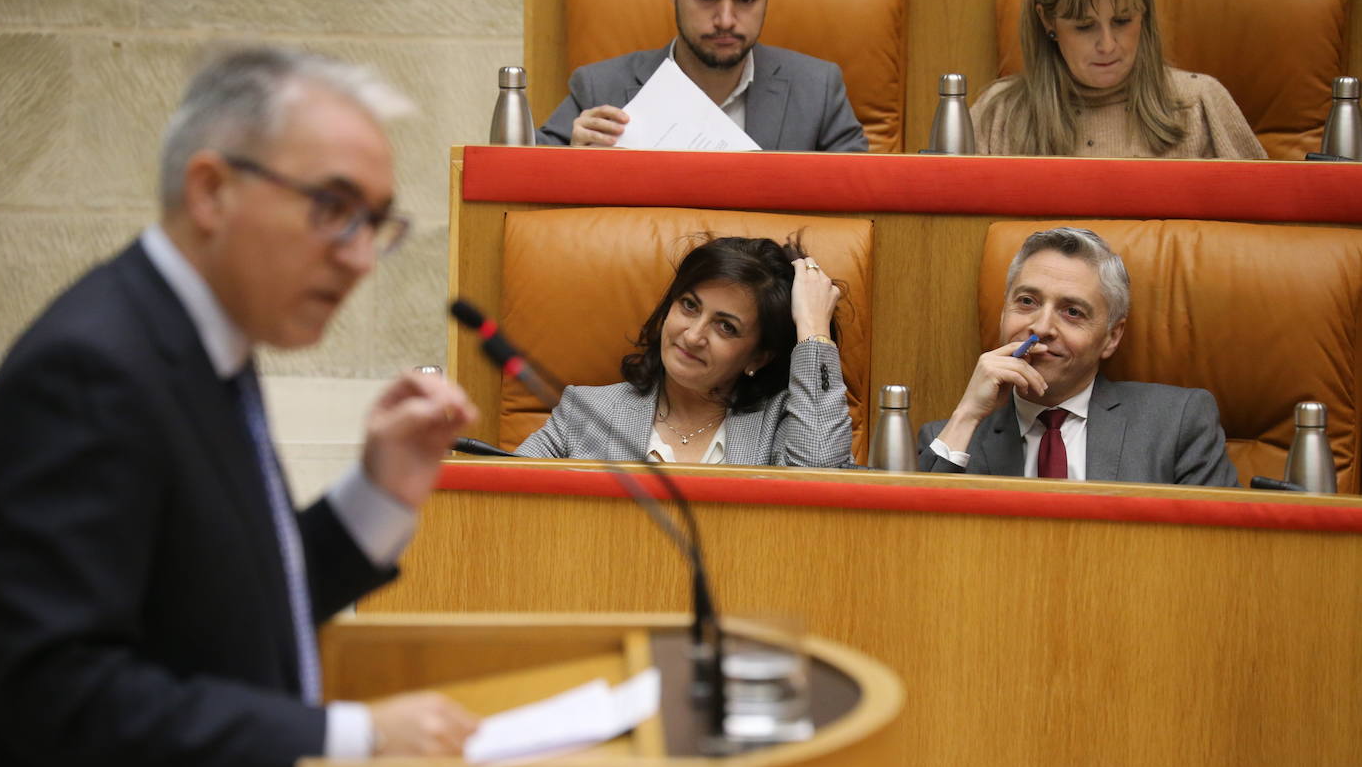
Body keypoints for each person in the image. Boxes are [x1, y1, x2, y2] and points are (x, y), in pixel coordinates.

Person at [0, 46, 482, 767]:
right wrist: (348, 736)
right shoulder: (94, 368)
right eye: (333, 208)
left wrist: (380, 495)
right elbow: (55, 691)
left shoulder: (203, 340)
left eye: (375, 223)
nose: (360, 257)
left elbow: (220, 613)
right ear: (212, 190)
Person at [917, 227, 1239, 486]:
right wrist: (967, 416)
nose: (1041, 328)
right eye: (1027, 301)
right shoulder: (950, 438)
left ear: (1112, 337)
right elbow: (915, 547)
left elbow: (1218, 554)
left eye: (1072, 312)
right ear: (1003, 314)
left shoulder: (1177, 424)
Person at [515, 235, 854, 467]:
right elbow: (502, 507)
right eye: (689, 306)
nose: (692, 336)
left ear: (758, 357)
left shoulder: (785, 424)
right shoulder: (585, 413)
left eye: (726, 327)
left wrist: (812, 330)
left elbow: (821, 488)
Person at [536, 0, 867, 152]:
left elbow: (863, 206)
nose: (725, 20)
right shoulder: (598, 88)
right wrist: (571, 163)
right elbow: (524, 184)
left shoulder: (818, 89)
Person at [971, 0, 1265, 159]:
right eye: (1084, 26)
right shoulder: (998, 115)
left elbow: (1264, 236)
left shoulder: (1200, 105)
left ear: (1144, 9)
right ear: (1048, 21)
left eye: (1122, 21)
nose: (1108, 45)